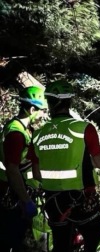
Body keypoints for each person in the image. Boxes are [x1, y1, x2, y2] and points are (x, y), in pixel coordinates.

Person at [29, 79, 100, 252]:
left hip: (53, 201)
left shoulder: (38, 134)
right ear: (69, 101)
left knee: (61, 246)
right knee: (96, 243)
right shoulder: (84, 128)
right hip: (84, 200)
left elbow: (36, 174)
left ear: (49, 103)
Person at [0, 86, 47, 251]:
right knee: (9, 240)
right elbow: (12, 169)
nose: (43, 115)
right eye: (41, 111)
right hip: (12, 196)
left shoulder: (24, 130)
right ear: (32, 109)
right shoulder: (16, 133)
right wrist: (26, 200)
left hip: (18, 193)